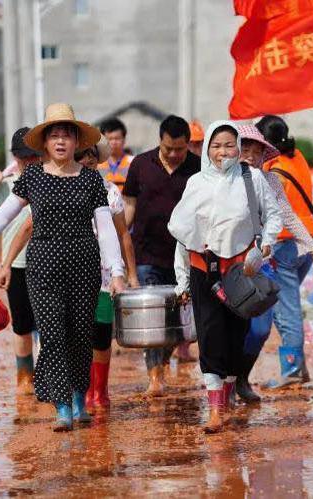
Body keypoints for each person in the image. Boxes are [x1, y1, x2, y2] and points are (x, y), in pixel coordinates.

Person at [0, 103, 126, 432]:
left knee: (81, 335)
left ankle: (80, 398)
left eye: (67, 135)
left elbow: (106, 228)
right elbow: (6, 214)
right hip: (43, 269)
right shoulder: (33, 177)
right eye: (55, 136)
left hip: (84, 265)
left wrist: (117, 271)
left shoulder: (92, 180)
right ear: (46, 142)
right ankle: (62, 405)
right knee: (52, 336)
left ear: (77, 142)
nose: (61, 141)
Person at [168, 121, 283, 433]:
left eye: (229, 145)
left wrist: (264, 248)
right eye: (216, 145)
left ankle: (228, 395)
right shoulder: (195, 183)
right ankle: (215, 410)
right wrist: (182, 280)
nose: (223, 152)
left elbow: (273, 216)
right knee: (209, 336)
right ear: (207, 148)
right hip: (203, 270)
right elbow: (182, 234)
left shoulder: (253, 179)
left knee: (235, 336)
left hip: (240, 272)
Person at [235, 124, 313, 403]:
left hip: (269, 260)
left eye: (254, 150)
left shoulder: (270, 181)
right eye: (243, 148)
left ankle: (241, 378)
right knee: (228, 326)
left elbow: (288, 217)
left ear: (263, 154)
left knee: (262, 326)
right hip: (229, 265)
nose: (248, 155)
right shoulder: (224, 181)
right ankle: (223, 387)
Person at [122, 115, 200, 395]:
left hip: (184, 257)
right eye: (169, 149)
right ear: (160, 141)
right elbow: (128, 207)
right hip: (146, 254)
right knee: (153, 318)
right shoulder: (141, 165)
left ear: (187, 144)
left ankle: (163, 360)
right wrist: (120, 244)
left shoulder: (198, 168)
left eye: (180, 149)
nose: (175, 154)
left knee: (175, 317)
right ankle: (155, 377)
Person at [0, 127, 41, 395]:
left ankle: (48, 377)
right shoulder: (6, 185)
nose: (28, 161)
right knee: (22, 325)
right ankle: (24, 376)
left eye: (32, 156)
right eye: (23, 157)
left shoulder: (49, 180)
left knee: (47, 324)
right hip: (15, 265)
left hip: (45, 261)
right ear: (15, 156)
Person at [257, 115, 313, 389]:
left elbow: (280, 213)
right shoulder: (298, 159)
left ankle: (293, 369)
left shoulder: (273, 170)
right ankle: (299, 368)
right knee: (289, 306)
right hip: (306, 243)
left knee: (286, 311)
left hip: (284, 244)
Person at [75, 139, 140, 411]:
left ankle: (99, 391)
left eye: (91, 162)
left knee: (101, 334)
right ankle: (83, 390)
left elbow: (124, 235)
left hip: (104, 275)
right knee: (79, 335)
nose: (87, 166)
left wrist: (131, 275)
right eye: (82, 162)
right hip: (73, 273)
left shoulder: (110, 192)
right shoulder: (61, 190)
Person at [98, 118, 135, 190]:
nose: (114, 142)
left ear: (124, 139)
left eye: (117, 138)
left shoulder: (134, 162)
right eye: (110, 139)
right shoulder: (96, 164)